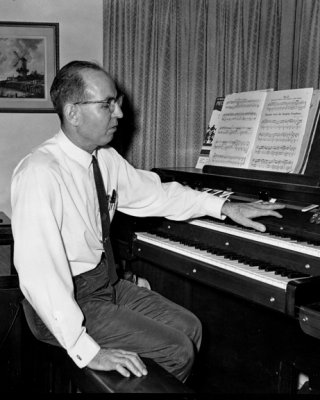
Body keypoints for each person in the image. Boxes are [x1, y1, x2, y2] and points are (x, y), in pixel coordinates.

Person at [11, 60, 285, 382]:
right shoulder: (40, 173)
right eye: (107, 105)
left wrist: (225, 207)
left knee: (190, 328)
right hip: (62, 302)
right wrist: (85, 348)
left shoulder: (105, 158)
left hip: (104, 286)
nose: (120, 114)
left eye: (118, 102)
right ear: (73, 113)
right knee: (177, 350)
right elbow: (40, 274)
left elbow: (157, 194)